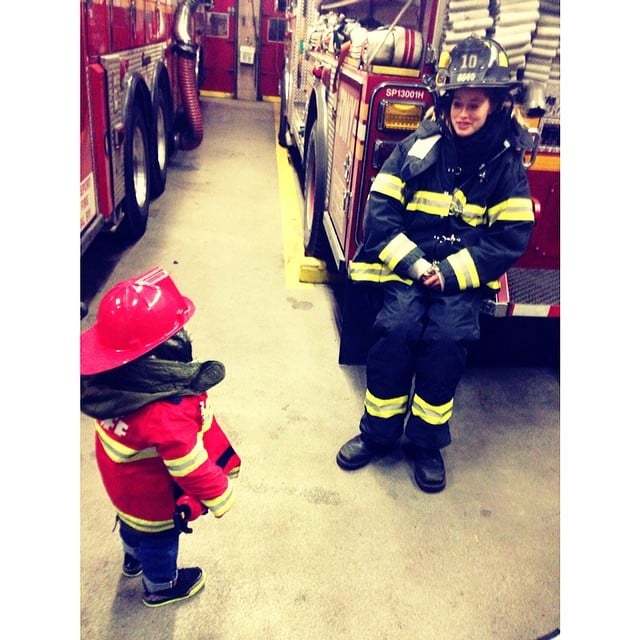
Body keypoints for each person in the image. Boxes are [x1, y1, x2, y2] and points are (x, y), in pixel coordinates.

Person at [337, 36, 536, 493]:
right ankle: (378, 434)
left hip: (459, 278)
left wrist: (448, 274)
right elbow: (379, 214)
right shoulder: (418, 147)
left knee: (447, 339)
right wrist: (415, 266)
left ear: (495, 106)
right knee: (397, 329)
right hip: (410, 270)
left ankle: (424, 444)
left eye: (475, 105)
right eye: (458, 103)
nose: (463, 114)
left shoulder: (506, 165)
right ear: (446, 102)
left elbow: (510, 236)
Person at [80, 266, 241, 607]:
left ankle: (131, 559)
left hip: (120, 490)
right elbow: (189, 466)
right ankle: (161, 585)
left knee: (130, 527)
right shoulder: (166, 413)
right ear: (155, 355)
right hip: (153, 503)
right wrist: (220, 492)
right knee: (160, 541)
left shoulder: (104, 388)